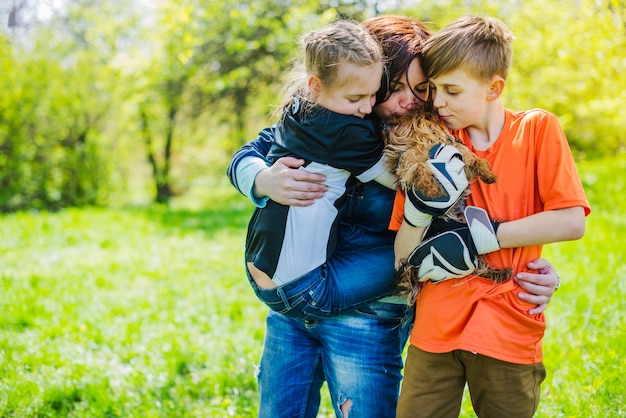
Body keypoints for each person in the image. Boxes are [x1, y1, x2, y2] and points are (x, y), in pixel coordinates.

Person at [227, 15, 561, 418]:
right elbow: (254, 149)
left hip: (370, 313)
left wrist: (534, 271)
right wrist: (263, 180)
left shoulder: (438, 135)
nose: (408, 99)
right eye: (395, 87)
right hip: (294, 302)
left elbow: (481, 213)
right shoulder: (331, 114)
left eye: (421, 89)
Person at [393, 15, 591, 418]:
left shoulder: (536, 130)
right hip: (436, 325)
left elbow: (571, 220)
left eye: (452, 90)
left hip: (509, 321)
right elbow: (401, 256)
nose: (438, 102)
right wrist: (417, 209)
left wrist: (485, 237)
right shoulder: (431, 146)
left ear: (493, 88)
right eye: (433, 90)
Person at [245, 20, 400, 320]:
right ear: (316, 86)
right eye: (354, 98)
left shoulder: (297, 108)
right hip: (305, 290)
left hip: (259, 265)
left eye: (373, 95)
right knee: (422, 253)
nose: (367, 108)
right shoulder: (344, 131)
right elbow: (403, 183)